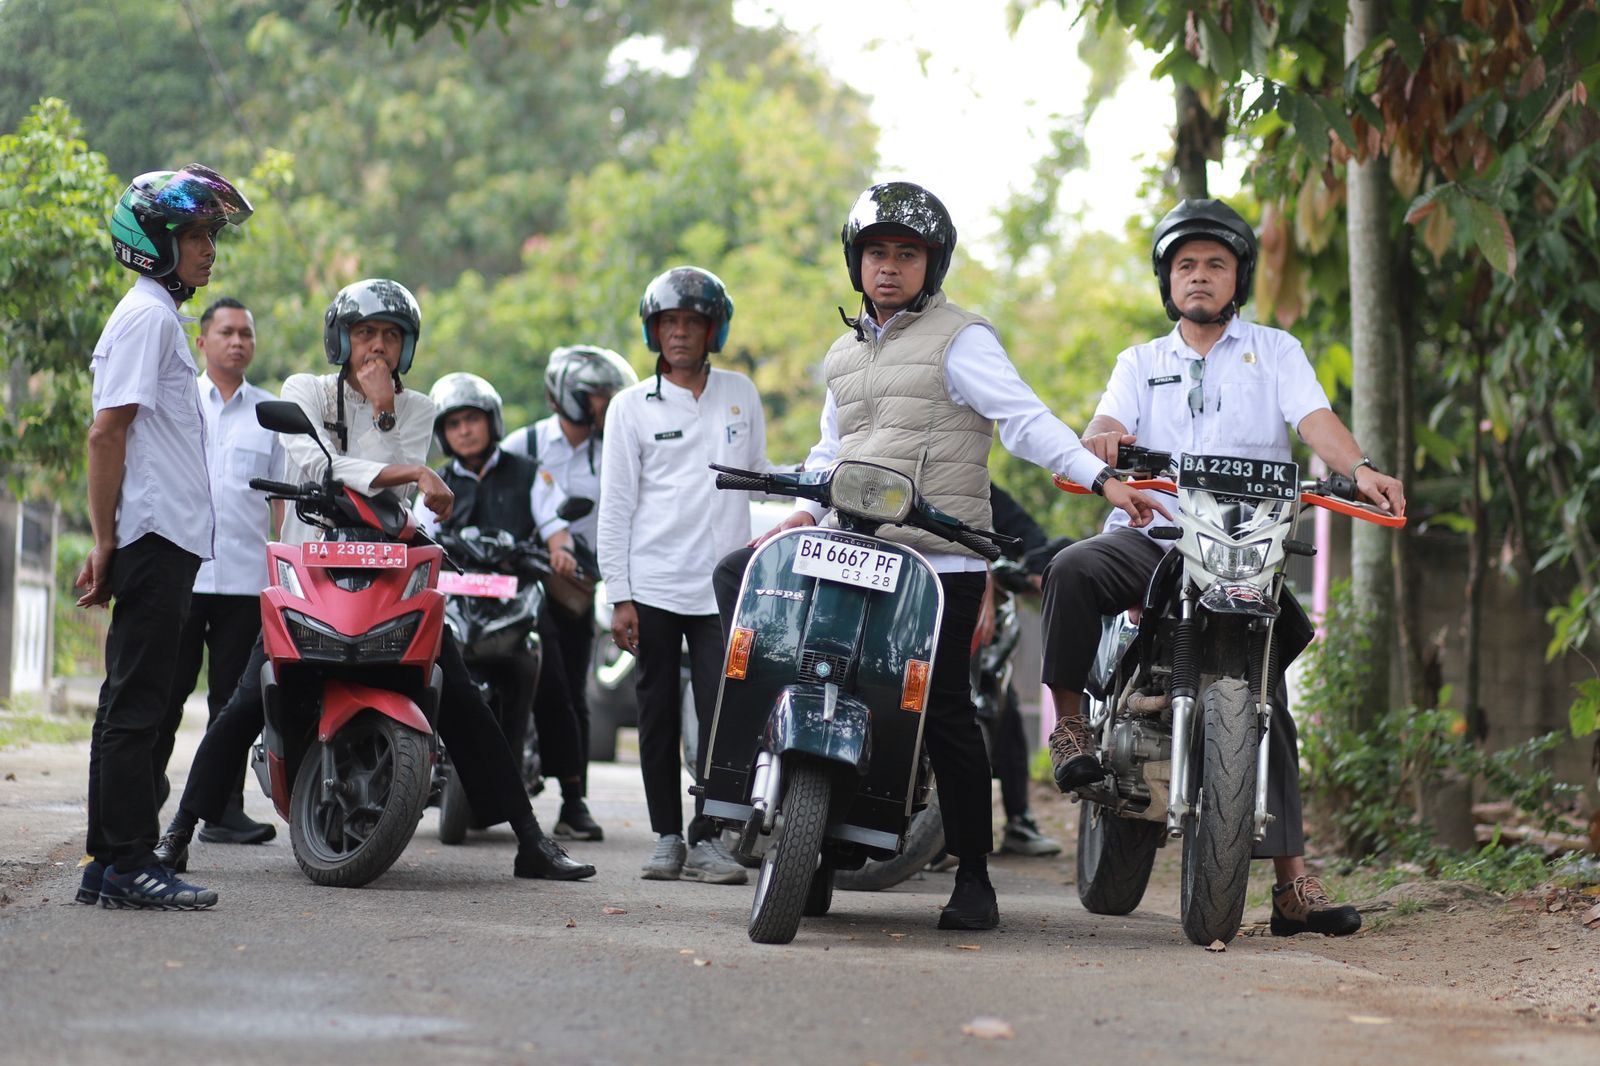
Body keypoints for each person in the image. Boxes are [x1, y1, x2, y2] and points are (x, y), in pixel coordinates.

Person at [713, 181, 1165, 931]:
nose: (889, 267)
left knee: (947, 709)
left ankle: (975, 875)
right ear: (856, 263)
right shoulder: (844, 351)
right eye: (876, 253)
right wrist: (799, 513)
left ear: (933, 264)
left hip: (937, 561)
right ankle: (747, 792)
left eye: (907, 254)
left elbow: (1022, 419)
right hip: (850, 547)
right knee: (755, 600)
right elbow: (832, 450)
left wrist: (1101, 478)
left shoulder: (962, 338)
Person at [1039, 198, 1407, 936]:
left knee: (1270, 699)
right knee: (1073, 568)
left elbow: (1315, 421)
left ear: (1238, 276)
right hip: (1157, 538)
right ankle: (1072, 726)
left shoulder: (1275, 351)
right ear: (1168, 281)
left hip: (1246, 551)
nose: (1200, 276)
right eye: (1186, 265)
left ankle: (1292, 886)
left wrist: (1360, 467)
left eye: (1215, 263)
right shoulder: (1141, 362)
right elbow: (1106, 424)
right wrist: (1103, 439)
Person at [154, 279, 594, 882]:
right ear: (341, 339)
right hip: (310, 578)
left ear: (406, 346)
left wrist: (385, 413)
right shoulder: (304, 391)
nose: (377, 346)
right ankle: (178, 832)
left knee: (463, 698)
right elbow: (320, 468)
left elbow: (391, 495)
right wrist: (411, 467)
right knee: (246, 700)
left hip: (389, 577)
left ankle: (530, 840)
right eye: (365, 333)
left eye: (390, 335)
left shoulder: (417, 409)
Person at [77, 164, 252, 911]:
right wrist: (105, 540)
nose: (209, 249)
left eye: (212, 235)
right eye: (196, 234)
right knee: (139, 707)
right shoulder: (148, 318)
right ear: (154, 240)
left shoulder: (154, 317)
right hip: (152, 538)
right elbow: (106, 433)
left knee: (130, 703)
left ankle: (106, 864)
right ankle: (127, 863)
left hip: (162, 539)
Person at [598, 267, 768, 884]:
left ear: (712, 330)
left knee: (725, 712)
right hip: (654, 585)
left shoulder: (740, 394)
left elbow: (759, 477)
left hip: (725, 588)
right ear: (654, 330)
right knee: (657, 712)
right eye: (669, 322)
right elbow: (616, 505)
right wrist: (618, 595)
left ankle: (709, 837)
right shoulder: (629, 407)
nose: (679, 333)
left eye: (692, 323)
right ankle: (667, 837)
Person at [418, 371, 589, 835]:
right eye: (454, 424)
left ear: (492, 421)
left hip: (517, 600)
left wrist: (561, 551)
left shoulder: (529, 473)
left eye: (472, 420)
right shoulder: (435, 482)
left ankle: (573, 799)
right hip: (456, 603)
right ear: (444, 434)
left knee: (554, 685)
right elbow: (418, 534)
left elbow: (556, 527)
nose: (464, 431)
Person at [150, 297, 282, 847]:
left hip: (246, 582)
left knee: (233, 704)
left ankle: (224, 812)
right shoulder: (179, 401)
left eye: (246, 334)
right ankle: (144, 796)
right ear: (202, 342)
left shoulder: (271, 413)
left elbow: (281, 502)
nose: (237, 342)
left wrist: (280, 574)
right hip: (185, 573)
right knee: (165, 693)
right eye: (226, 332)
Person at [502, 345, 639, 842]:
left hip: (576, 589)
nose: (607, 404)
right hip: (518, 583)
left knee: (569, 690)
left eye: (610, 394)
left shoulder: (616, 450)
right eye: (597, 395)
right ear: (569, 396)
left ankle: (573, 801)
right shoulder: (526, 444)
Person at [985, 486, 1065, 858]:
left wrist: (1035, 567)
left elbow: (1029, 536)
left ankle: (1018, 819)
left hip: (979, 627)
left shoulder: (979, 488)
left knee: (1004, 704)